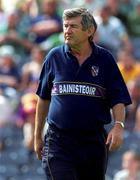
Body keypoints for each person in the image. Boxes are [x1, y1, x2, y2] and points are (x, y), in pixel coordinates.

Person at [34, 7, 132, 180]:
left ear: (89, 30)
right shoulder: (53, 57)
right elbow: (43, 99)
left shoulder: (105, 59)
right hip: (58, 141)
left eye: (73, 26)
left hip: (93, 142)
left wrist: (119, 126)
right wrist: (37, 137)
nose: (67, 31)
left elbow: (118, 98)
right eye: (65, 26)